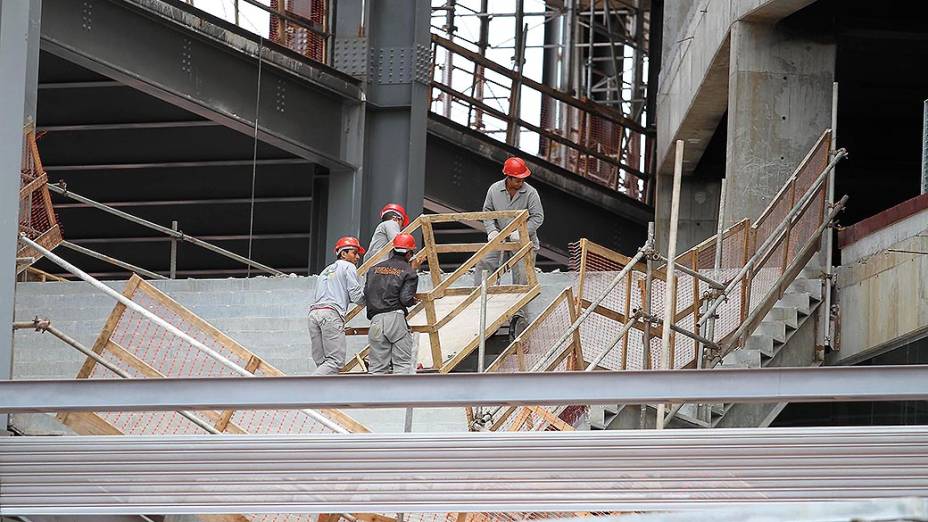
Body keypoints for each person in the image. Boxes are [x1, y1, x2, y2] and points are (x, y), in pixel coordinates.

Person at [473, 156, 544, 289]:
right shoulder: (494, 190)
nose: (521, 182)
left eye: (523, 179)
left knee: (523, 276)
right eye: (517, 180)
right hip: (500, 238)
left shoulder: (531, 193)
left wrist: (522, 232)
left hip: (523, 242)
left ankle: (521, 307)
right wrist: (492, 230)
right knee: (485, 262)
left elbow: (538, 217)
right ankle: (478, 299)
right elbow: (487, 211)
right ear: (508, 177)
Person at [308, 236, 365, 375]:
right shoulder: (348, 266)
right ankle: (306, 389)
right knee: (335, 362)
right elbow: (356, 296)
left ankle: (322, 395)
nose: (357, 257)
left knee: (323, 363)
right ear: (343, 253)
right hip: (331, 315)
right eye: (354, 252)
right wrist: (373, 300)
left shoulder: (325, 270)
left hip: (314, 314)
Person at [364, 233, 419, 375]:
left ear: (392, 250)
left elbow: (367, 293)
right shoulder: (409, 272)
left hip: (376, 321)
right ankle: (401, 396)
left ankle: (374, 397)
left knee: (377, 368)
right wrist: (413, 300)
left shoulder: (373, 270)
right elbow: (405, 299)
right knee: (402, 365)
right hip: (395, 319)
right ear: (409, 254)